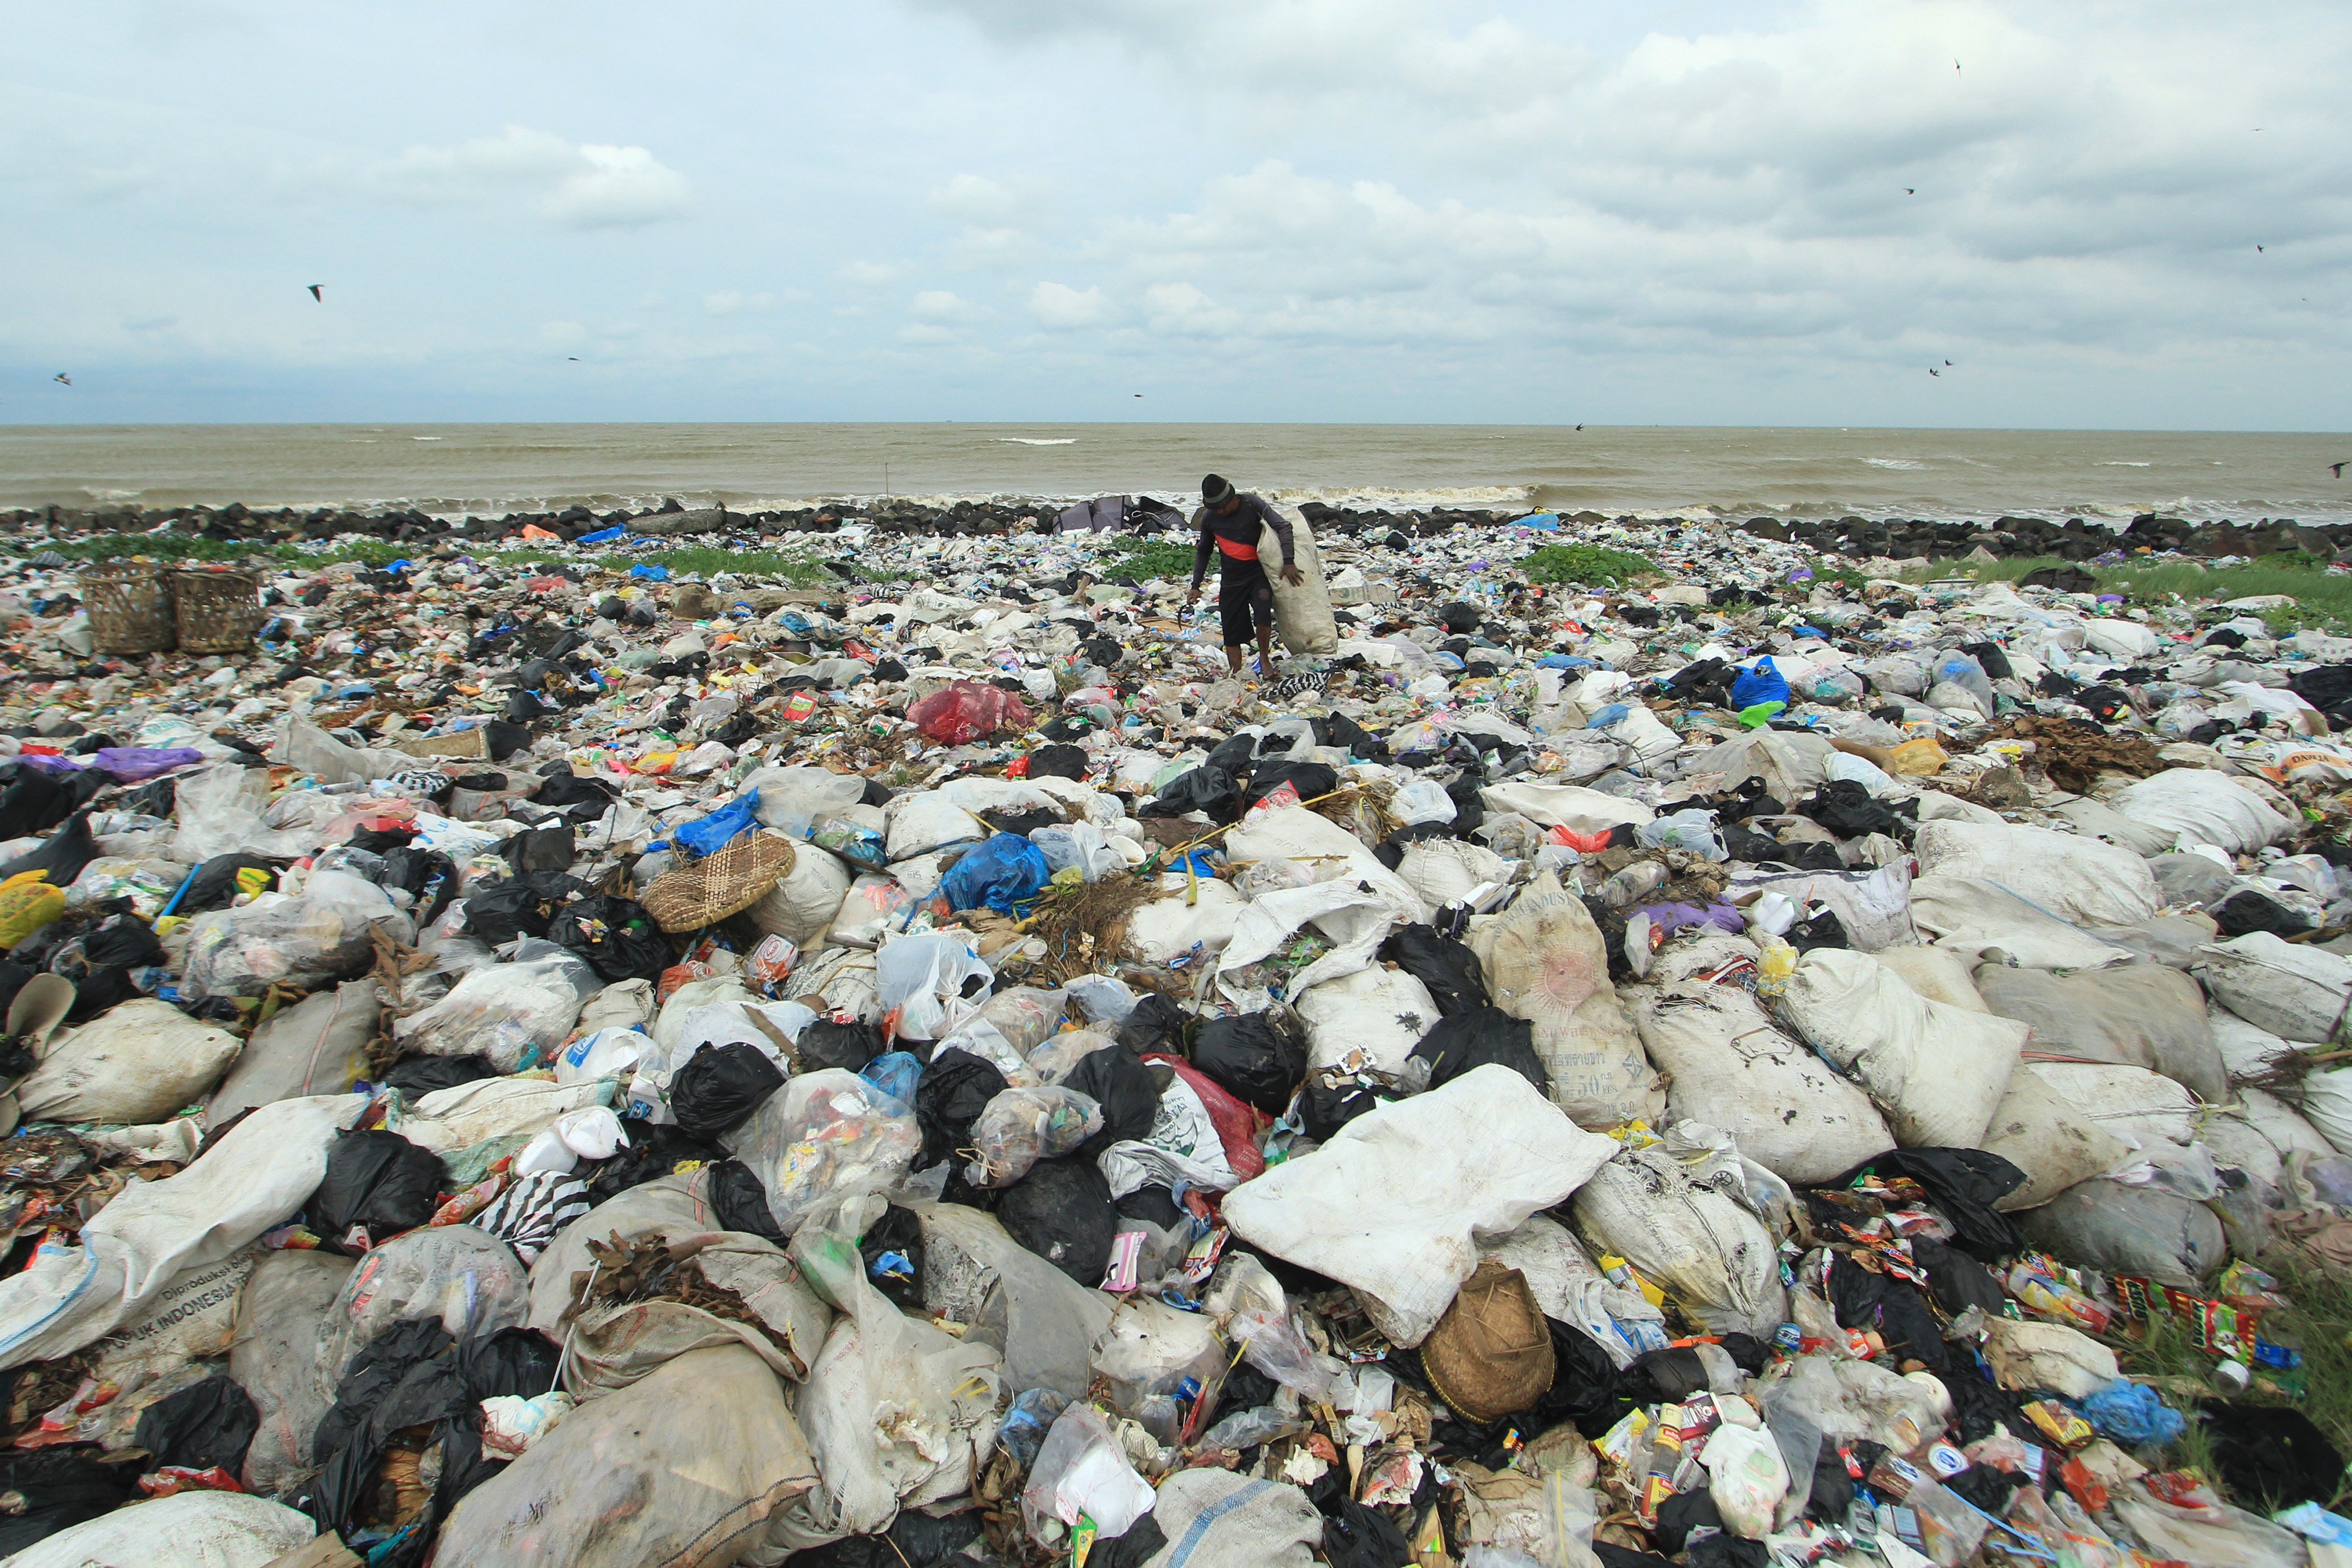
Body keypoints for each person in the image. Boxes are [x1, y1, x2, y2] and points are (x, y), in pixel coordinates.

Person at [1184, 473, 1302, 678]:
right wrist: (1196, 585)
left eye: (1222, 505)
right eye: (1215, 507)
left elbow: (1283, 526)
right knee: (1231, 629)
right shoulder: (1210, 518)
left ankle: (1264, 659)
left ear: (1232, 497)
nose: (1220, 510)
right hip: (1231, 578)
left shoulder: (1252, 504)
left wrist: (1289, 561)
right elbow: (1204, 551)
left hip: (1258, 573)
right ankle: (1236, 673)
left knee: (1263, 611)